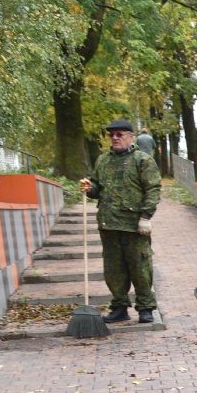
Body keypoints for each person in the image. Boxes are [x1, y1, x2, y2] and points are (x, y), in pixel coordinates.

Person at [79, 118, 161, 324]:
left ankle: (145, 307)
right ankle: (120, 306)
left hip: (134, 225)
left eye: (119, 134)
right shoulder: (103, 160)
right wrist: (90, 188)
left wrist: (145, 217)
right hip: (109, 224)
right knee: (114, 270)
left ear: (131, 137)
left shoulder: (142, 160)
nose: (114, 138)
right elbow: (97, 187)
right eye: (111, 135)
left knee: (140, 267)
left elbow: (153, 189)